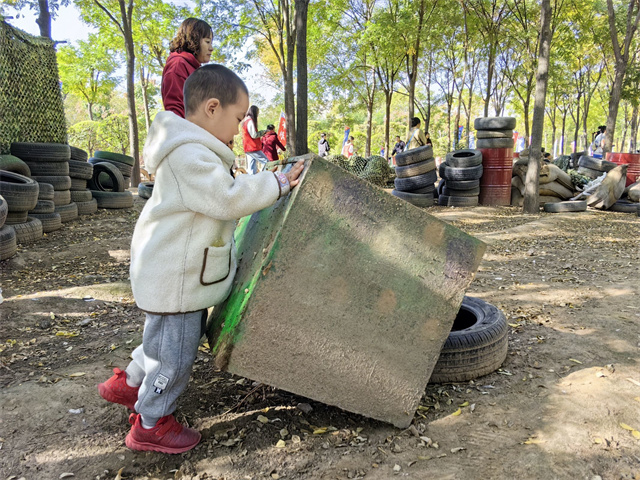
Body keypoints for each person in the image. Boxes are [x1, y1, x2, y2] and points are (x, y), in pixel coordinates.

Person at [97, 64, 305, 454]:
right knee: (175, 356)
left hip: (171, 271)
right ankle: (152, 423)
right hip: (177, 277)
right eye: (238, 118)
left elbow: (222, 188)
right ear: (213, 108)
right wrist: (276, 183)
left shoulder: (190, 150)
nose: (241, 127)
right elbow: (226, 197)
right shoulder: (190, 155)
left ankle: (130, 385)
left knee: (161, 341)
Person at [161, 18, 214, 118]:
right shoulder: (178, 65)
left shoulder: (195, 68)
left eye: (211, 43)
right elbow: (175, 111)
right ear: (194, 40)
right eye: (207, 42)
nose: (211, 48)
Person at [242, 105, 268, 174]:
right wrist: (263, 132)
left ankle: (251, 182)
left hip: (247, 148)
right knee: (266, 162)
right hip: (253, 147)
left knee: (251, 169)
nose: (258, 114)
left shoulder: (245, 121)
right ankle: (264, 177)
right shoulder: (250, 121)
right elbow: (254, 135)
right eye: (257, 112)